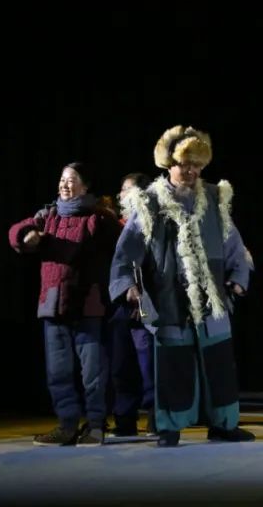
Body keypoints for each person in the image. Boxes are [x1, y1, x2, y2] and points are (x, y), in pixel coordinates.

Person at [109, 126, 255, 447]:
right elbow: (126, 252)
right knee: (173, 364)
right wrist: (128, 286)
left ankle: (224, 424)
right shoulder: (149, 202)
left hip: (212, 298)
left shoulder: (214, 198)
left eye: (197, 165)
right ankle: (169, 426)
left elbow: (233, 243)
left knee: (219, 363)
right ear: (169, 164)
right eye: (184, 164)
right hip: (169, 298)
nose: (191, 171)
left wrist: (238, 277)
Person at [8, 162, 121, 446]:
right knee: (58, 371)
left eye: (71, 180)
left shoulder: (99, 219)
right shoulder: (49, 215)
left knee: (93, 372)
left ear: (85, 186)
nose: (64, 185)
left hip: (88, 305)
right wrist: (26, 235)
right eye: (61, 179)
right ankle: (67, 425)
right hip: (53, 304)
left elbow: (123, 246)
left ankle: (95, 425)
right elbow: (17, 230)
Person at [106, 172, 156, 438]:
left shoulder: (151, 222)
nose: (121, 196)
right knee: (121, 366)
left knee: (148, 366)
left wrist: (140, 291)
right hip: (120, 305)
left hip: (145, 304)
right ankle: (125, 420)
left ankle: (156, 417)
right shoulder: (116, 224)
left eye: (126, 190)